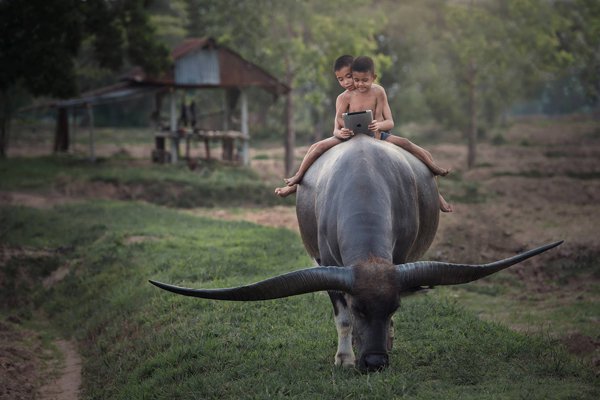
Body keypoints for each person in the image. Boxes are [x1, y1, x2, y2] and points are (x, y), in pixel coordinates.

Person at [275, 55, 452, 212]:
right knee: (316, 147)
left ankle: (436, 189)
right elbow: (336, 127)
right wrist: (341, 132)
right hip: (349, 137)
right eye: (340, 79)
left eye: (349, 77)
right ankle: (297, 180)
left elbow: (389, 121)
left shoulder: (378, 91)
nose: (348, 82)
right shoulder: (343, 98)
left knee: (409, 145)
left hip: (377, 135)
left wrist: (379, 127)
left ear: (366, 76)